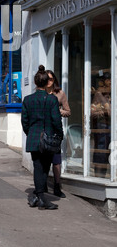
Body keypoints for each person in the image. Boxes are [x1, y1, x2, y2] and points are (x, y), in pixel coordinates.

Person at [22, 65, 63, 210]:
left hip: (34, 137)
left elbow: (24, 122)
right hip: (49, 138)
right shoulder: (52, 100)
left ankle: (37, 196)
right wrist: (60, 135)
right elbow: (56, 120)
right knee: (44, 168)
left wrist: (31, 133)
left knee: (38, 167)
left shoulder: (27, 100)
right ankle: (41, 198)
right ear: (46, 83)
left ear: (35, 83)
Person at [46, 70, 71, 198]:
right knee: (43, 159)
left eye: (51, 79)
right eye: (47, 79)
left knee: (56, 160)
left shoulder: (60, 94)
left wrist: (59, 111)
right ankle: (43, 184)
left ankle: (57, 185)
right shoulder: (41, 93)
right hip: (43, 130)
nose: (49, 81)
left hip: (55, 130)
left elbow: (68, 111)